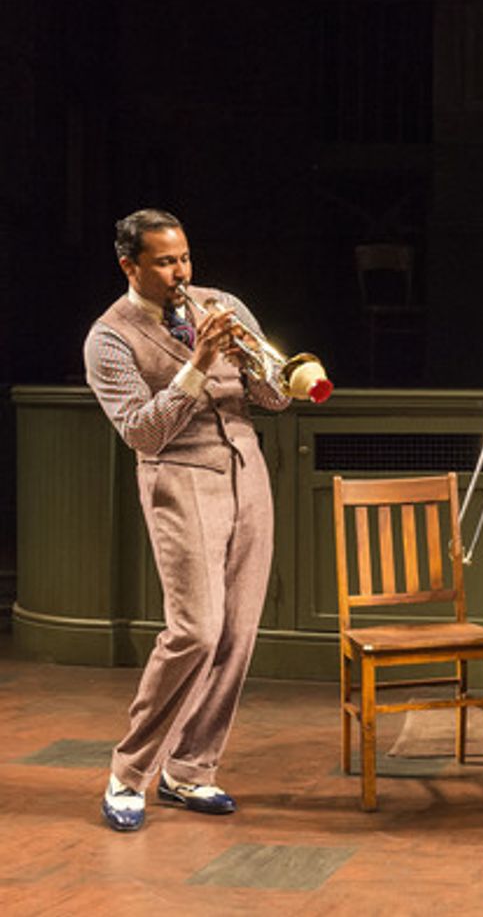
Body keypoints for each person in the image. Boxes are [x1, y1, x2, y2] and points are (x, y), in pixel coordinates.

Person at [84, 208, 289, 831]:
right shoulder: (109, 338)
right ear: (130, 266)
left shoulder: (220, 302)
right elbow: (144, 433)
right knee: (196, 631)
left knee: (236, 636)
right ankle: (130, 772)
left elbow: (275, 399)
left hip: (246, 474)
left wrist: (261, 366)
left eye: (185, 258)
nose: (182, 273)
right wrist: (198, 365)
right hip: (180, 478)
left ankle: (191, 769)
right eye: (166, 262)